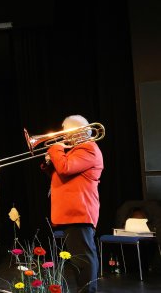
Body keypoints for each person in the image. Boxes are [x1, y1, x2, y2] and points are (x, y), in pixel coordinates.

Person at [41, 115, 102, 293]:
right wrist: (49, 162)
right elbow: (62, 172)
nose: (64, 137)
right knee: (78, 259)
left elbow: (66, 168)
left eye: (66, 132)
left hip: (80, 211)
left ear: (77, 132)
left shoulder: (89, 148)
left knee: (84, 257)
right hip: (72, 212)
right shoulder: (76, 149)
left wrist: (56, 149)